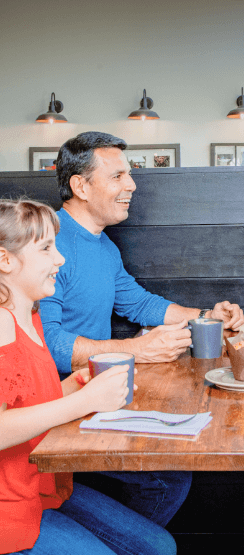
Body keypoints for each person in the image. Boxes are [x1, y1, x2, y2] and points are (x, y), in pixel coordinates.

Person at [39, 131, 244, 533]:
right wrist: (137, 350)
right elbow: (49, 344)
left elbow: (139, 303)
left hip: (97, 391)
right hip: (58, 404)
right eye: (117, 176)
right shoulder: (49, 243)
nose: (131, 185)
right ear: (80, 186)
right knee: (167, 478)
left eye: (128, 175)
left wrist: (207, 315)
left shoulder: (103, 246)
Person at [0, 198, 176, 555]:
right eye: (47, 248)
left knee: (159, 546)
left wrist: (72, 386)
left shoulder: (30, 317)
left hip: (44, 485)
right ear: (5, 260)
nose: (59, 259)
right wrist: (83, 402)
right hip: (10, 508)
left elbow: (23, 399)